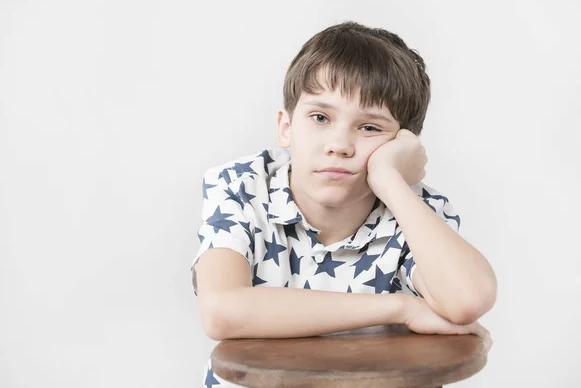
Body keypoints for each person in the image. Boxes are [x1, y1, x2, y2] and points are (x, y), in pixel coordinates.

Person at [191, 20, 497, 388]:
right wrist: (403, 309)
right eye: (320, 118)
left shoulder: (412, 213)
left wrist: (390, 180)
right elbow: (222, 311)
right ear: (286, 127)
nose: (339, 144)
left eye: (369, 128)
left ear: (403, 146)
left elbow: (468, 300)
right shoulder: (242, 187)